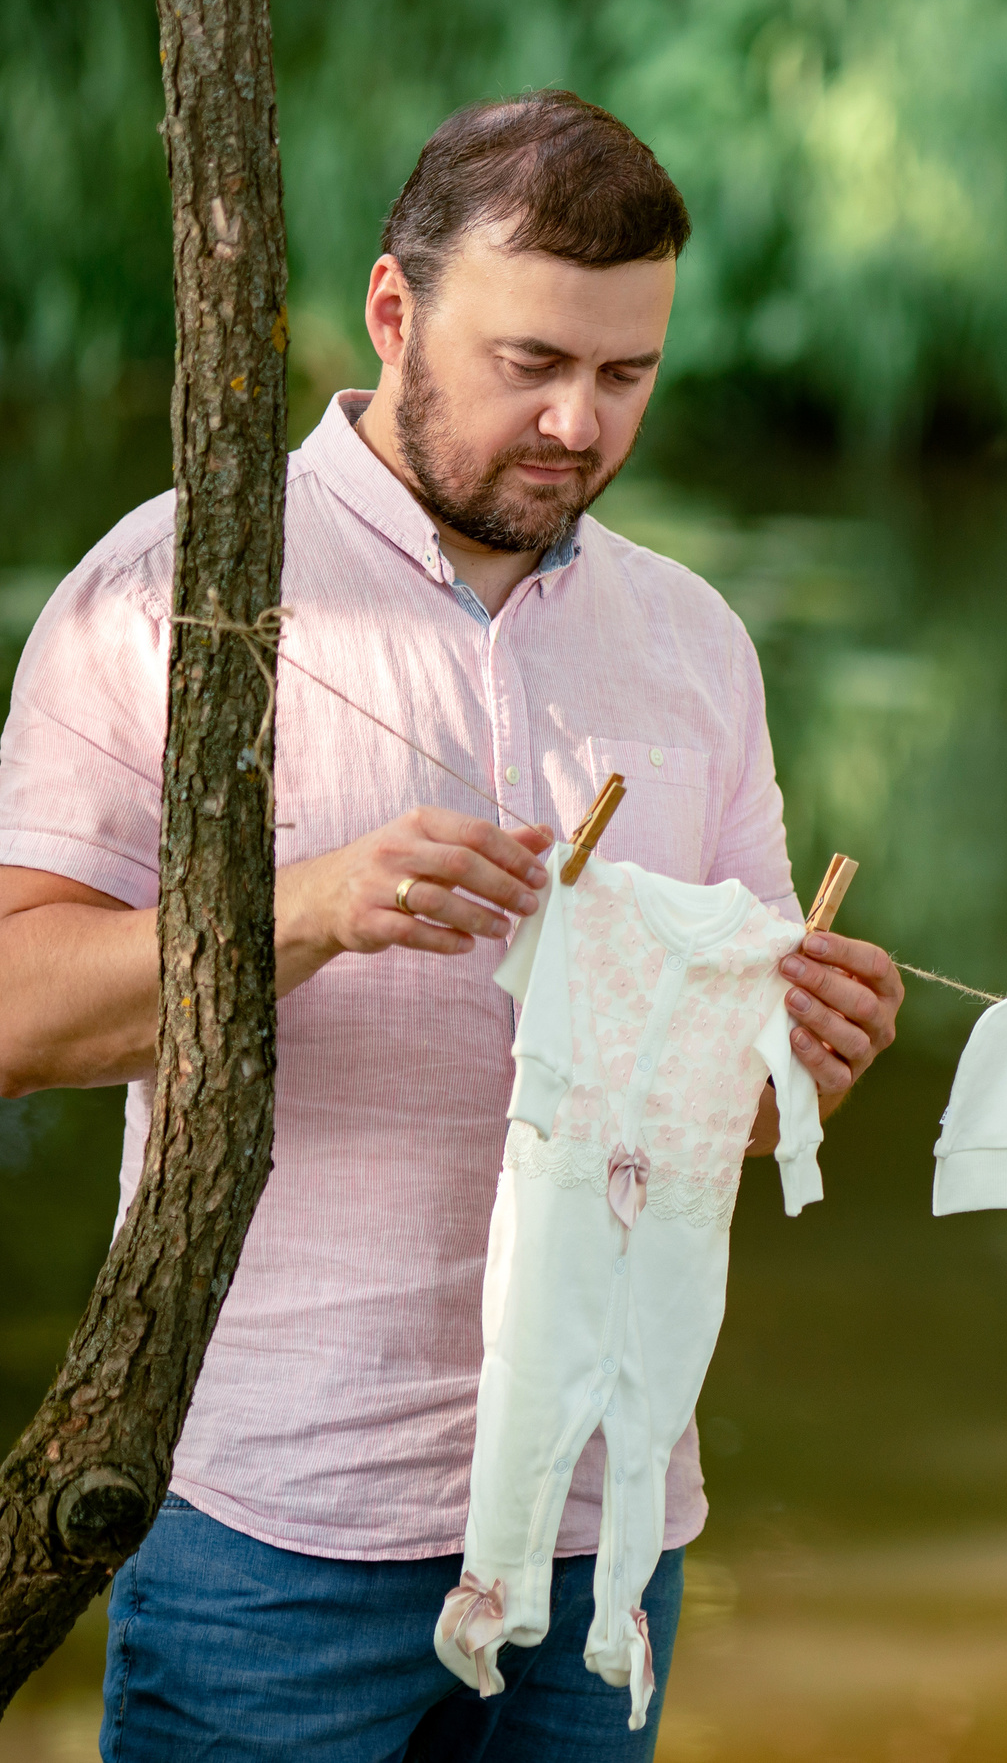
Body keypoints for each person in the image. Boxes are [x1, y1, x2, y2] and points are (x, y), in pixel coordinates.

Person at [0, 90, 904, 1759]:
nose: (577, 423)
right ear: (394, 312)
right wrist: (315, 911)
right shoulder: (174, 584)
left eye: (625, 375)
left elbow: (728, 1113)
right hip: (272, 1529)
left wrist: (803, 1060)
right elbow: (10, 1014)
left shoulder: (694, 643)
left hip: (599, 1534)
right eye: (530, 365)